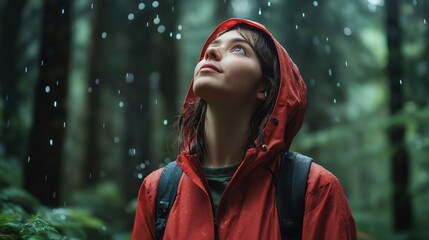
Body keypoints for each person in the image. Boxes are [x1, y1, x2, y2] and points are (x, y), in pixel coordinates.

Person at [132, 18, 356, 239]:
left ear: (265, 88)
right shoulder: (158, 191)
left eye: (239, 49)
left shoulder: (314, 190)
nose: (211, 53)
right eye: (212, 48)